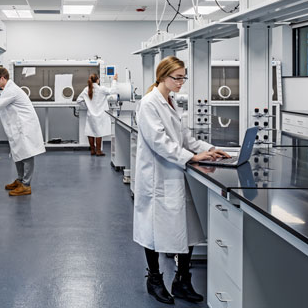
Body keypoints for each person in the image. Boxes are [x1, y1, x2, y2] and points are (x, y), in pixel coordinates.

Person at [133, 56, 230, 304]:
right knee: (154, 231)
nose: (181, 83)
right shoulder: (149, 104)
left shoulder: (171, 101)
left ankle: (182, 281)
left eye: (183, 77)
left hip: (175, 174)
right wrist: (192, 157)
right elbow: (160, 143)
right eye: (177, 78)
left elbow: (184, 137)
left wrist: (210, 149)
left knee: (185, 228)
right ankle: (154, 280)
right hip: (157, 177)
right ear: (163, 76)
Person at [0, 67, 46, 196]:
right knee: (18, 154)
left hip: (25, 127)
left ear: (3, 78)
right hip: (19, 127)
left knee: (27, 154)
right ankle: (20, 180)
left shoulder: (11, 90)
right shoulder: (7, 90)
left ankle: (26, 185)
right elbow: (3, 110)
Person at [76, 73, 118, 156]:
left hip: (90, 114)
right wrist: (114, 80)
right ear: (98, 80)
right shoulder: (101, 89)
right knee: (99, 133)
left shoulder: (86, 89)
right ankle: (98, 151)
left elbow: (78, 100)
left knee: (90, 132)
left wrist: (87, 106)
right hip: (101, 115)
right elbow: (113, 91)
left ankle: (92, 150)